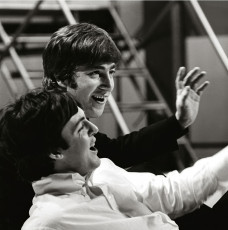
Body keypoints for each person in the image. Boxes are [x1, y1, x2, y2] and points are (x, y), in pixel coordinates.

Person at [0, 23, 209, 229]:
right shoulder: (30, 127)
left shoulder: (68, 126)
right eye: (95, 73)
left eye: (112, 72)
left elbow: (117, 150)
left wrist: (179, 122)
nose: (109, 85)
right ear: (60, 78)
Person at [1, 88, 227, 230]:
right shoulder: (48, 222)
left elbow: (172, 191)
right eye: (81, 127)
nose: (94, 128)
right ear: (55, 152)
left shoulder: (103, 171)